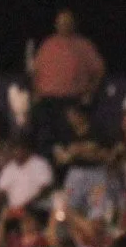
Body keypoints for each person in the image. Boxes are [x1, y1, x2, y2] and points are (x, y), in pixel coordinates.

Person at [30, 11, 105, 147]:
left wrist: (90, 92)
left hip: (72, 100)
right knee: (45, 137)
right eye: (61, 23)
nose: (64, 25)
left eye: (67, 22)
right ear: (56, 25)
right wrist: (36, 92)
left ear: (73, 24)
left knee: (68, 138)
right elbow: (35, 72)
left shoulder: (84, 45)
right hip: (48, 100)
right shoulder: (47, 44)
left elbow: (99, 70)